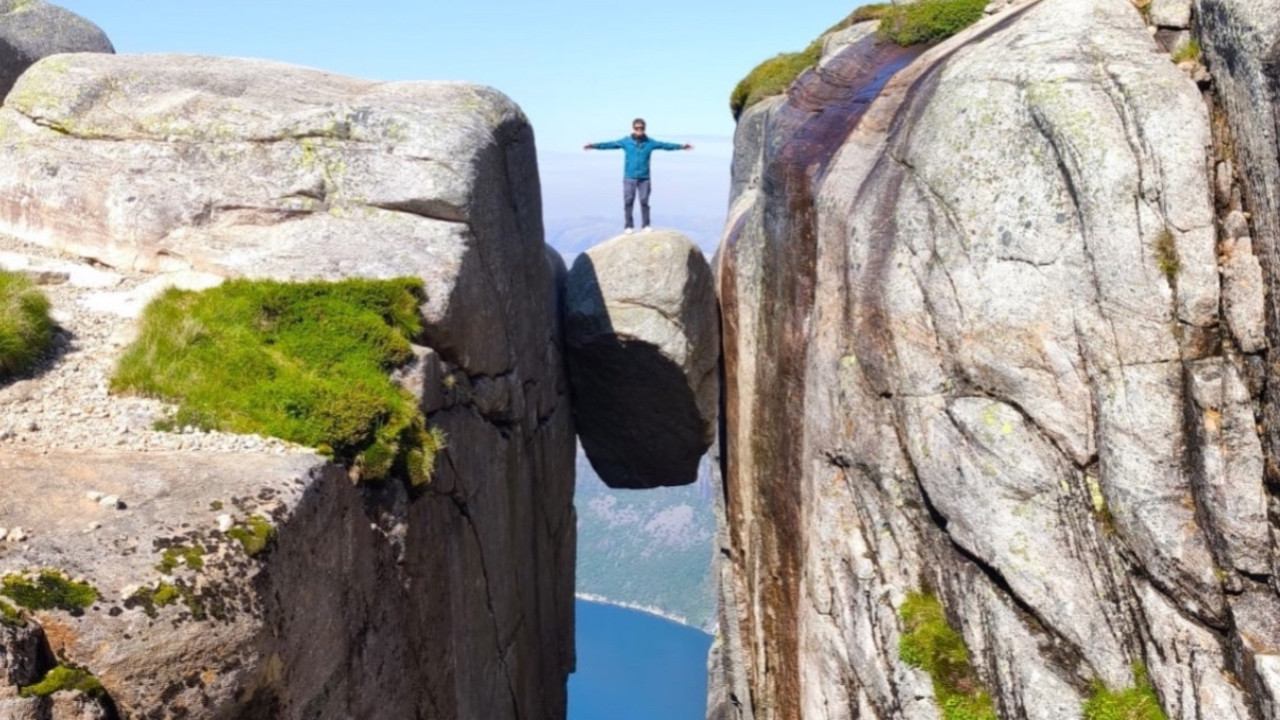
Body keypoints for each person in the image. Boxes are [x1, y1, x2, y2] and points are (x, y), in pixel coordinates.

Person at [584, 118, 692, 233]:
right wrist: (593, 146)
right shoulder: (626, 141)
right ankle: (628, 226)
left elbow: (665, 145)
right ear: (633, 128)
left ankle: (646, 225)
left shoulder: (650, 142)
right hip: (629, 177)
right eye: (637, 128)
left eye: (641, 128)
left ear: (644, 129)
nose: (639, 130)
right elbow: (610, 145)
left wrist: (682, 147)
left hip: (644, 178)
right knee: (628, 201)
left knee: (644, 201)